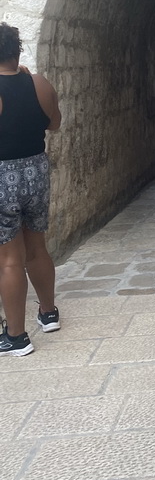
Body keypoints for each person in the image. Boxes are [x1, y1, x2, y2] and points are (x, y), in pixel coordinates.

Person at [0, 23, 62, 356]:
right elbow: (54, 123)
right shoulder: (39, 83)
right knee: (37, 246)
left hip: (1, 177)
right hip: (36, 170)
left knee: (9, 259)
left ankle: (16, 336)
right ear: (17, 50)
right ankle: (48, 313)